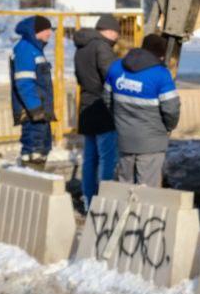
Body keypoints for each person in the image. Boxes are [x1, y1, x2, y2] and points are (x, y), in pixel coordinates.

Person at [103, 33, 179, 188]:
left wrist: (120, 121)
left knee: (125, 186)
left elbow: (107, 99)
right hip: (152, 143)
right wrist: (169, 127)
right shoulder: (161, 74)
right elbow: (171, 109)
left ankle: (124, 212)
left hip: (124, 139)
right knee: (147, 191)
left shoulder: (116, 67)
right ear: (161, 55)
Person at [74, 15, 120, 206]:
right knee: (107, 157)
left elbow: (79, 77)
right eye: (117, 34)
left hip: (86, 107)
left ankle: (89, 199)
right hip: (103, 108)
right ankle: (104, 201)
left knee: (89, 159)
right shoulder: (102, 47)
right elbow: (112, 77)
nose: (117, 39)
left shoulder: (81, 47)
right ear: (110, 31)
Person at [11, 15, 55, 167]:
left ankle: (37, 179)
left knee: (42, 149)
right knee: (33, 150)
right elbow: (24, 82)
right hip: (32, 112)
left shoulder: (35, 49)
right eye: (47, 30)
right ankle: (31, 180)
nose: (50, 33)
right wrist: (34, 108)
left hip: (40, 110)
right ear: (37, 31)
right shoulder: (25, 49)